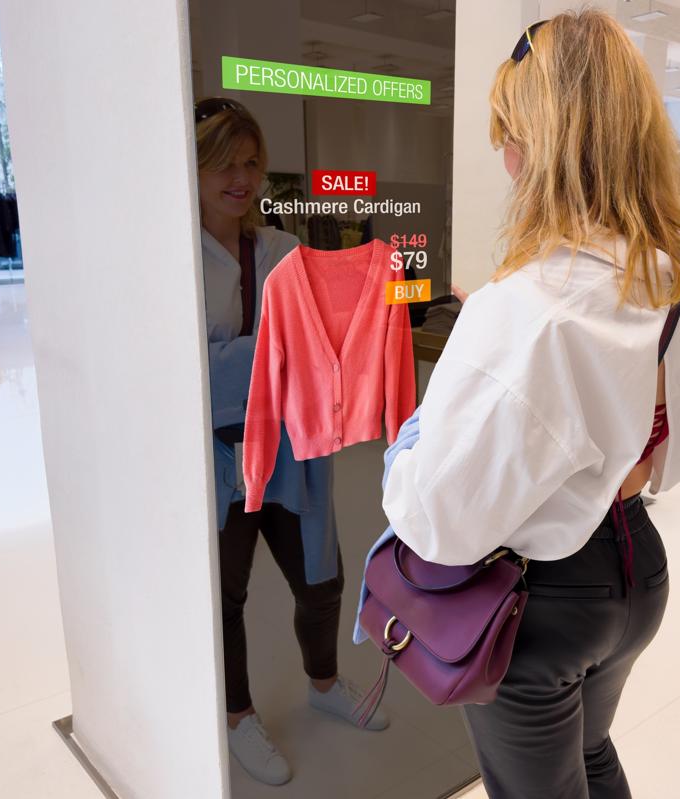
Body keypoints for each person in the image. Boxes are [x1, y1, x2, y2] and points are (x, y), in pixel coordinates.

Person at [378, 11, 680, 798]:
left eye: (507, 133)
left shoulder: (525, 303)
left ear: (540, 143)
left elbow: (438, 518)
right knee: (591, 752)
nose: (503, 158)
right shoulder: (675, 273)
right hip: (636, 571)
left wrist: (411, 437)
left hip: (544, 598)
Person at [195, 96, 388, 787]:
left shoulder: (280, 247)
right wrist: (267, 356)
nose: (240, 177)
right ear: (192, 167)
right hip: (215, 458)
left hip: (291, 447)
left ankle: (324, 682)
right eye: (224, 162)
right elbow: (189, 374)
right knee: (226, 594)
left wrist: (238, 358)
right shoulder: (175, 259)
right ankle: (238, 716)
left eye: (251, 162)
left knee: (322, 579)